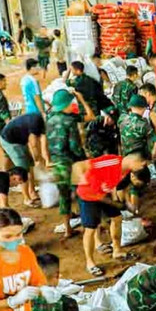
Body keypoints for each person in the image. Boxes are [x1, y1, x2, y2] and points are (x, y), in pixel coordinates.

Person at [73, 150, 149, 275]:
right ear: (135, 161)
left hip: (104, 193)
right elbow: (82, 166)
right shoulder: (111, 161)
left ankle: (117, 250)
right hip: (88, 195)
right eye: (143, 165)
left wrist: (123, 201)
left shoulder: (126, 171)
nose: (142, 168)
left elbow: (118, 186)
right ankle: (90, 262)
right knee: (90, 229)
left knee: (117, 218)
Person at [46, 89, 85, 231]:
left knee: (64, 195)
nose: (72, 105)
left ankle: (67, 228)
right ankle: (88, 226)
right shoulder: (69, 121)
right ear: (65, 105)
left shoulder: (49, 119)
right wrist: (84, 160)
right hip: (70, 162)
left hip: (56, 162)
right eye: (70, 103)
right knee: (81, 193)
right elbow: (75, 146)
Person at [0, 111, 45, 203]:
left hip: (16, 138)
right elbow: (34, 144)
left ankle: (32, 191)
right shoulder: (35, 123)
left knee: (30, 164)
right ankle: (26, 198)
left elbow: (39, 141)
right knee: (23, 170)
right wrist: (38, 159)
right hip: (10, 141)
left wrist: (40, 157)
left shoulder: (40, 120)